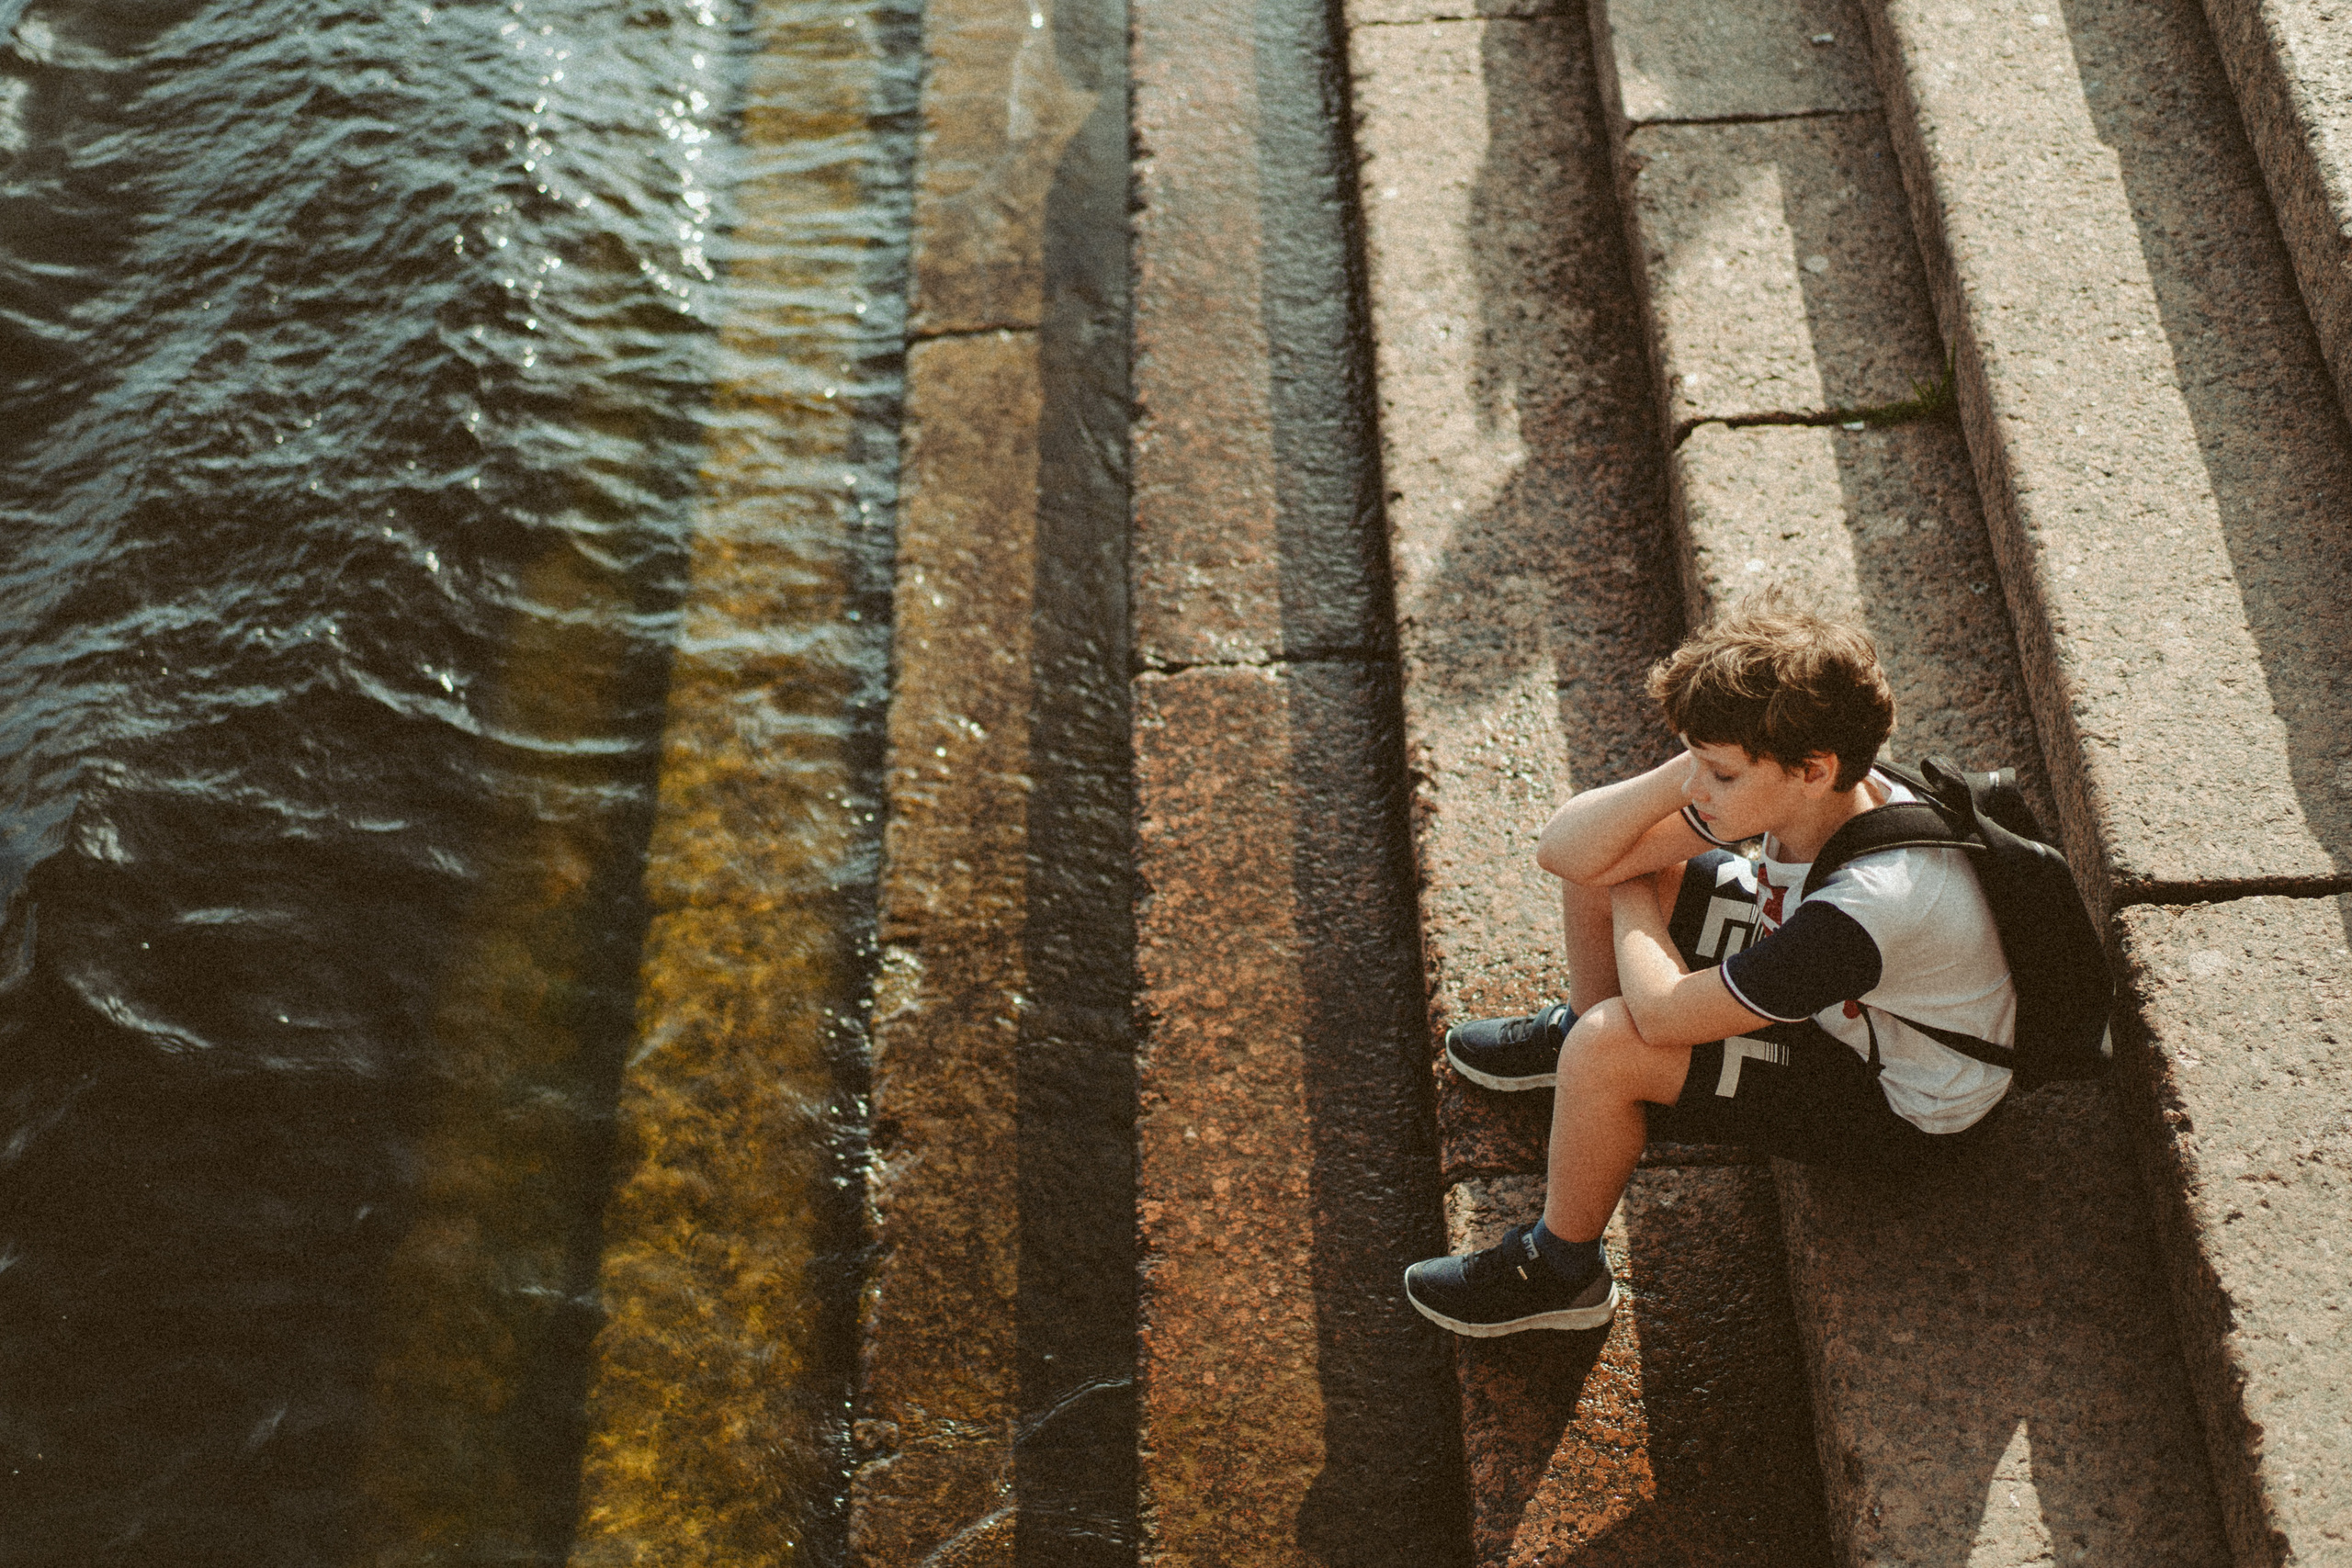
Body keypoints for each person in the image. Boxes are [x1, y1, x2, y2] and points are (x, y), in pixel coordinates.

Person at [1404, 599, 2015, 1337]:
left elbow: (1662, 1013)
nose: (1699, 788)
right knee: (1605, 863)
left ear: (1811, 769)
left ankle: (1562, 1270)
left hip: (1894, 1102)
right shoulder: (1819, 794)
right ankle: (1576, 1055)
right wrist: (1683, 784)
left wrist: (1631, 881)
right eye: (1696, 762)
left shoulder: (1867, 911)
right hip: (1844, 1001)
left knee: (1612, 1040)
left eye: (1720, 772)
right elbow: (1564, 849)